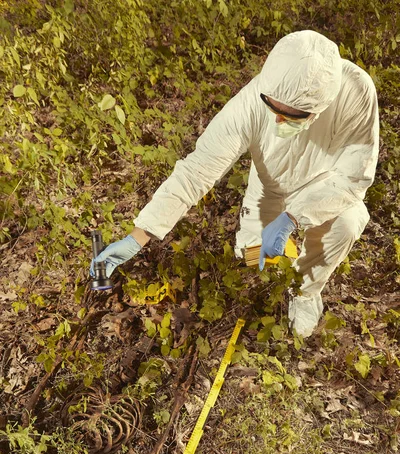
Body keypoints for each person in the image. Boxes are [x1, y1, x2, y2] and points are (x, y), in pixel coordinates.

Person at [90, 30, 380, 337]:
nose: (279, 121)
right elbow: (195, 171)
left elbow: (353, 178)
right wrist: (138, 237)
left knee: (348, 223)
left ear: (319, 108)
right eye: (274, 108)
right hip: (269, 190)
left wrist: (294, 217)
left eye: (291, 115)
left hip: (325, 187)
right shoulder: (249, 105)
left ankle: (305, 291)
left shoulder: (355, 92)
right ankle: (287, 253)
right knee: (254, 259)